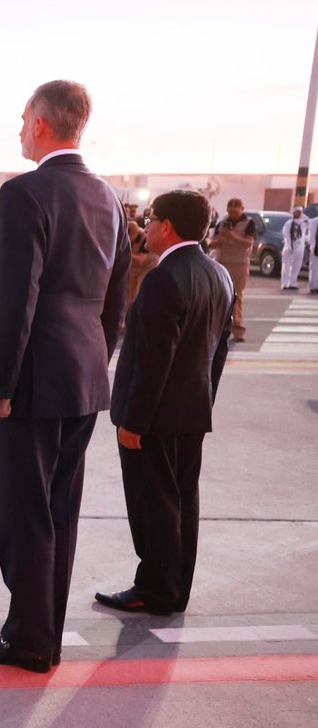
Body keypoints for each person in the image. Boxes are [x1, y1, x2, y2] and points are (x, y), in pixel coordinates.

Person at [0, 80, 130, 673]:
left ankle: (30, 640)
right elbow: (117, 295)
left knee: (23, 513)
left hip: (34, 380)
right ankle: (39, 633)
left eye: (23, 117)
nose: (19, 128)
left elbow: (17, 298)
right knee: (60, 511)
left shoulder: (25, 193)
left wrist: (0, 385)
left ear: (41, 123)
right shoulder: (107, 197)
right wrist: (97, 357)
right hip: (84, 378)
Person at [99, 190, 233, 615]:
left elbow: (154, 361)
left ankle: (155, 588)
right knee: (182, 501)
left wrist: (134, 421)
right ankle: (175, 587)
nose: (148, 226)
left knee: (152, 503)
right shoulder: (219, 274)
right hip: (193, 411)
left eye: (152, 219)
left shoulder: (164, 279)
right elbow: (220, 349)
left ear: (168, 227)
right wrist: (203, 397)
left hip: (154, 418)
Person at [207, 198, 255, 342]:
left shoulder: (249, 223)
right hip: (223, 263)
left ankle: (238, 329)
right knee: (220, 296)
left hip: (240, 263)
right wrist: (219, 239)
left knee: (237, 296)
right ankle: (217, 328)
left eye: (235, 210)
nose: (232, 213)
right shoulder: (222, 223)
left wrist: (232, 236)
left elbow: (249, 243)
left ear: (242, 209)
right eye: (230, 210)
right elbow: (211, 243)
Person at [125, 219, 159, 327]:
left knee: (139, 294)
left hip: (147, 267)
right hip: (134, 269)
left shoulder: (145, 238)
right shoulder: (126, 238)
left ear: (135, 232)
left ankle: (137, 323)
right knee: (129, 295)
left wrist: (124, 254)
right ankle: (127, 321)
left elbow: (142, 260)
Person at [280, 206, 307, 290]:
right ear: (293, 212)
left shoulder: (303, 222)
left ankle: (293, 283)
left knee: (297, 266)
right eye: (297, 211)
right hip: (290, 246)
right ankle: (285, 284)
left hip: (300, 247)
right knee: (286, 266)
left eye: (300, 212)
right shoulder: (289, 223)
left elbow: (310, 221)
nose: (298, 213)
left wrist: (304, 215)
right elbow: (286, 235)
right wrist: (289, 246)